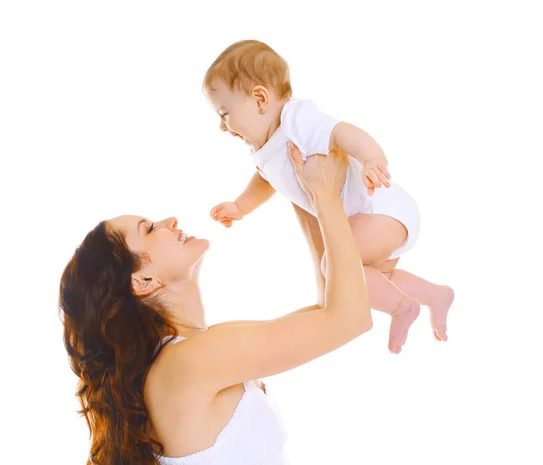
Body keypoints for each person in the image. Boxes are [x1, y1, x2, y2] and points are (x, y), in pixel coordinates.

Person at [59, 143, 371, 464]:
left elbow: (329, 308)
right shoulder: (191, 360)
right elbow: (350, 318)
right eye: (150, 229)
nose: (170, 220)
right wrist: (325, 196)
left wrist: (297, 189)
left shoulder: (194, 351)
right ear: (143, 281)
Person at [205, 40, 454, 354]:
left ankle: (402, 308)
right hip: (368, 221)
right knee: (370, 279)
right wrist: (240, 206)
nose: (223, 127)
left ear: (259, 98)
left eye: (225, 113)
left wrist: (373, 159)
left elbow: (342, 132)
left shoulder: (295, 120)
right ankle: (435, 295)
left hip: (378, 209)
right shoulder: (265, 151)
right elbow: (265, 181)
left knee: (336, 269)